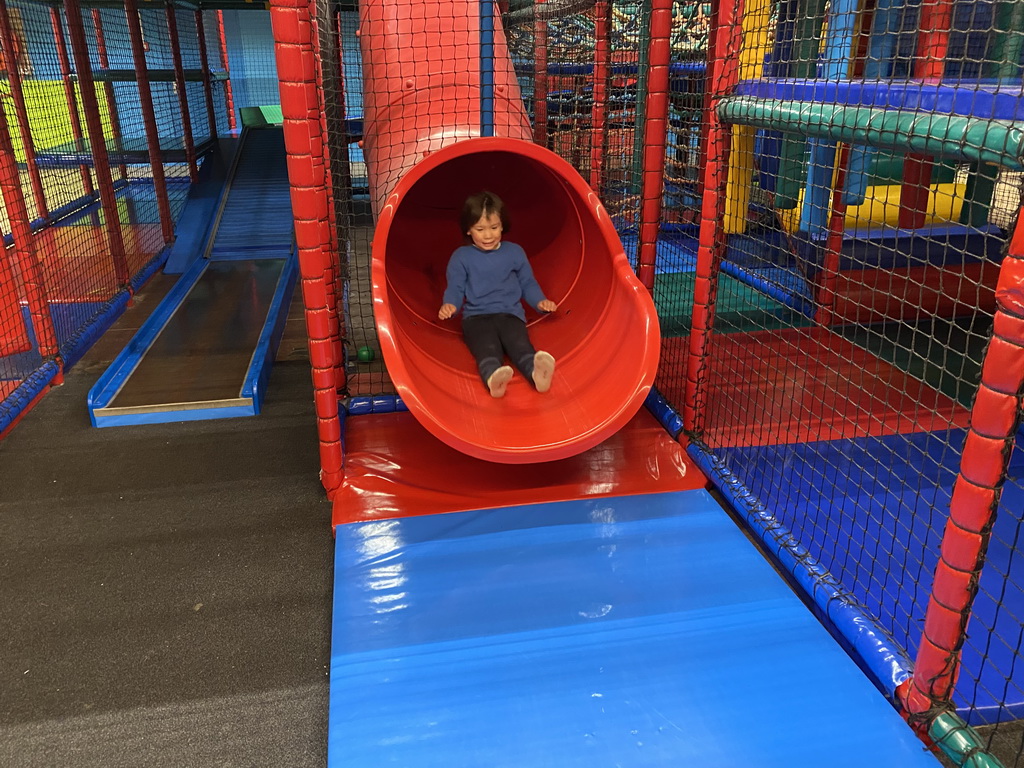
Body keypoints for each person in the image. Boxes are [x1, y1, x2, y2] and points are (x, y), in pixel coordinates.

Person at [438, 191, 557, 398]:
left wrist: (541, 302)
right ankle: (494, 379)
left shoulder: (514, 252)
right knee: (487, 349)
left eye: (494, 228)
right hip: (476, 319)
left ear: (502, 225)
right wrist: (450, 305)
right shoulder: (461, 257)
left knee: (520, 346)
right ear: (468, 229)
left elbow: (527, 282)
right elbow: (455, 288)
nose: (488, 235)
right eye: (480, 229)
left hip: (510, 315)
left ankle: (537, 375)